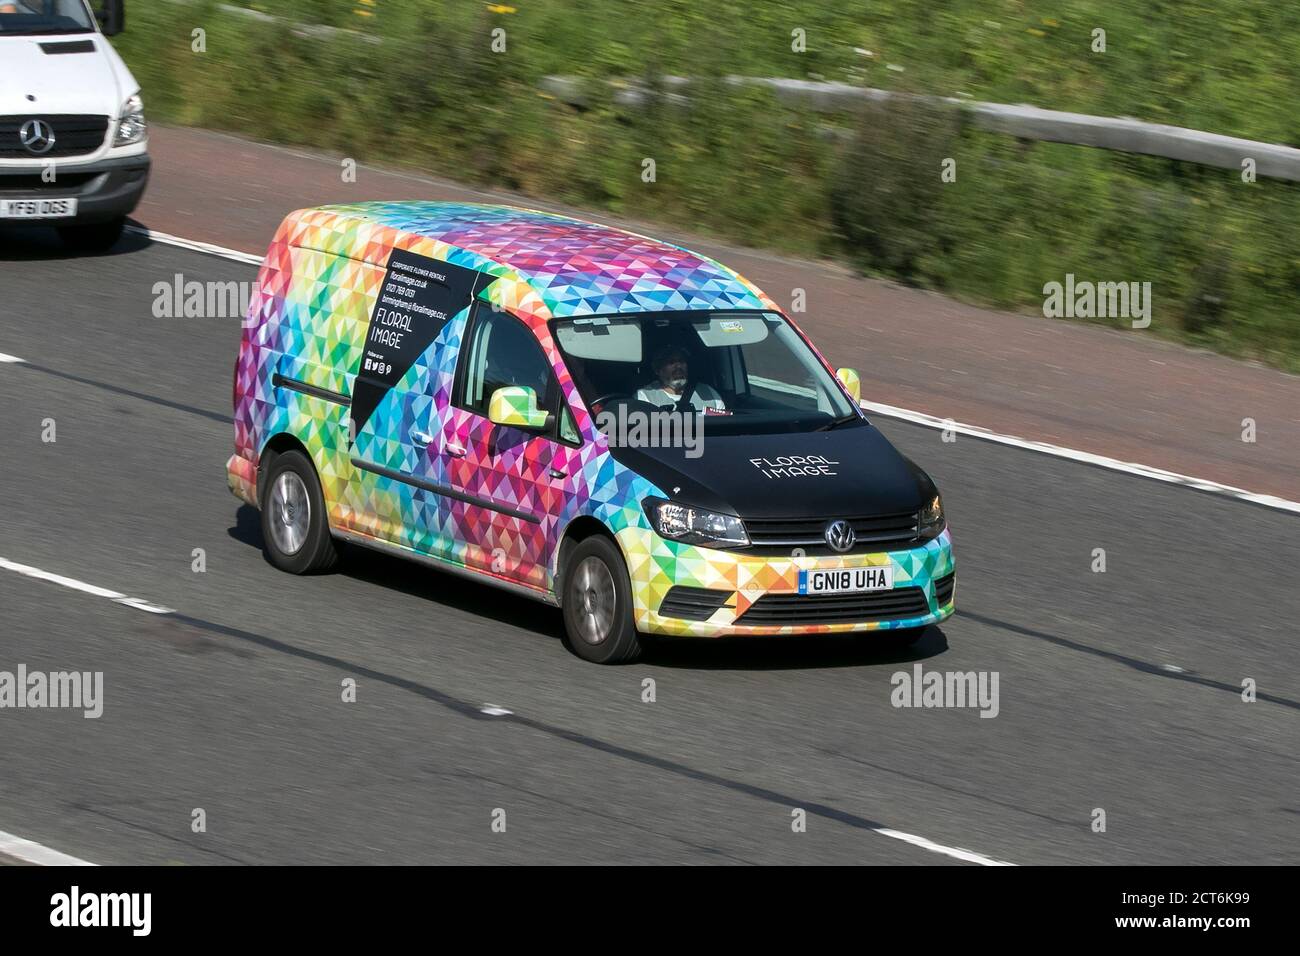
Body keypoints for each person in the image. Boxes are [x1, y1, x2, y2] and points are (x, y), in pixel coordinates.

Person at [636, 344, 726, 412]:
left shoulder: (709, 393)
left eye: (681, 361)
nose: (678, 366)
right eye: (671, 362)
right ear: (658, 370)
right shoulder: (644, 397)